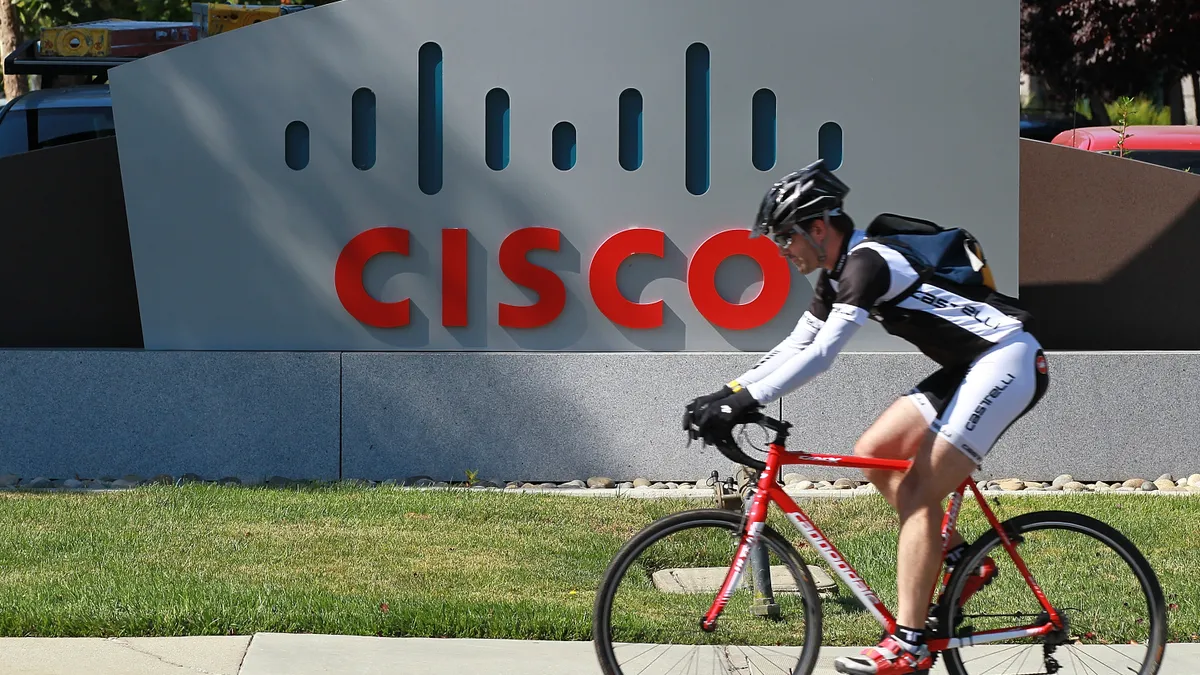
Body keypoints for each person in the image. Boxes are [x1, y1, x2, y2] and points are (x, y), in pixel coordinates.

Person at [683, 159, 1049, 675]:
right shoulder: (836, 274)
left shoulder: (866, 264)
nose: (782, 251)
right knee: (875, 453)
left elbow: (822, 356)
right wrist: (731, 391)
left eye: (785, 238)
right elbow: (797, 343)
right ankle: (964, 563)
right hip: (970, 365)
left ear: (816, 228)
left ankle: (909, 641)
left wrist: (743, 403)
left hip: (1007, 359)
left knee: (921, 490)